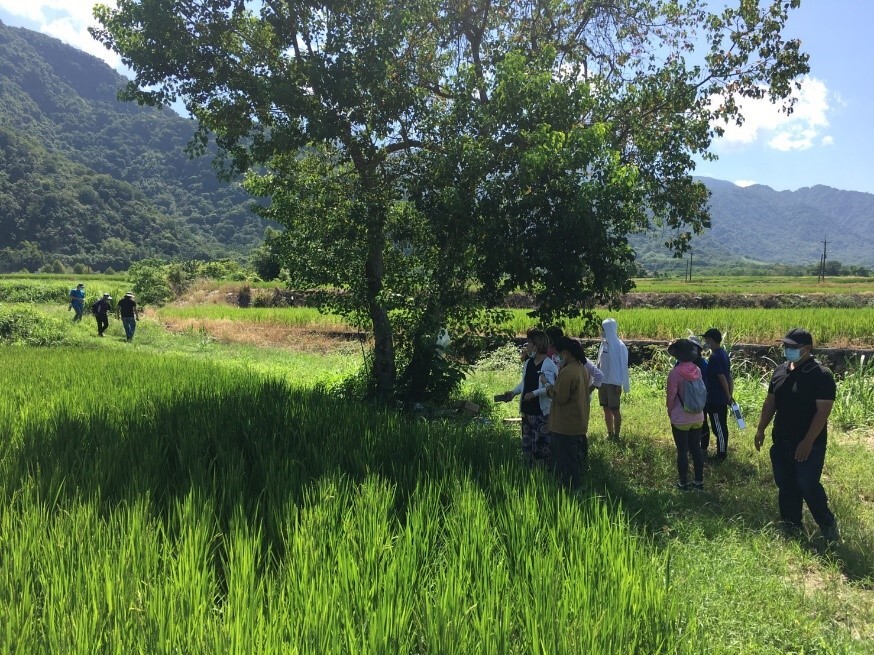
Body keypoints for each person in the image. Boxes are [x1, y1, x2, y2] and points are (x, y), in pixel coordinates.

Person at [753, 328, 839, 543]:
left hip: (809, 443)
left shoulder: (821, 375)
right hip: (781, 439)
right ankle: (792, 526)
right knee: (786, 484)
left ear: (807, 348)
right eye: (786, 346)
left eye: (792, 347)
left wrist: (808, 442)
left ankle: (827, 523)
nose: (787, 350)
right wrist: (761, 428)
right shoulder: (781, 370)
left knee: (807, 484)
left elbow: (823, 412)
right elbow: (770, 401)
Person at [501, 330, 559, 467]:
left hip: (540, 412)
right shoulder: (528, 363)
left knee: (542, 446)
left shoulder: (548, 364)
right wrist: (513, 393)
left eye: (530, 343)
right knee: (528, 445)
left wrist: (534, 394)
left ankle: (544, 473)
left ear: (537, 345)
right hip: (527, 411)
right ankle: (529, 471)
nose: (528, 346)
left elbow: (550, 387)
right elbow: (524, 383)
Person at [541, 336, 591, 487]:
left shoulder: (568, 372)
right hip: (577, 422)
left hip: (564, 425)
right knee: (575, 459)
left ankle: (569, 489)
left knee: (565, 462)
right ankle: (574, 486)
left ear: (566, 353)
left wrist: (548, 385)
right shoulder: (581, 369)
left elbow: (559, 397)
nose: (558, 357)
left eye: (559, 354)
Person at [666, 339, 705, 491]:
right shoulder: (697, 370)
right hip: (698, 416)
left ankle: (683, 483)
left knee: (682, 451)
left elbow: (671, 396)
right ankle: (698, 482)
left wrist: (669, 410)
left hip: (681, 418)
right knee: (696, 449)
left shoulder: (675, 373)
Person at [701, 328, 734, 461]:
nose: (705, 343)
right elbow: (729, 376)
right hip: (719, 398)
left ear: (712, 340)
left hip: (716, 400)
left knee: (719, 428)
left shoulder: (715, 357)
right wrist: (730, 393)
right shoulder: (724, 354)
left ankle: (721, 454)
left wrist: (727, 396)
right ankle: (721, 451)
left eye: (707, 341)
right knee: (720, 425)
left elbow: (721, 377)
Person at [546, 325, 604, 398]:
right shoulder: (561, 361)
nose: (549, 346)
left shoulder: (580, 363)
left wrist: (587, 391)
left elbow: (599, 375)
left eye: (550, 342)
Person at [597, 318, 629, 440]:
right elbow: (599, 363)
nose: (602, 332)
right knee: (605, 408)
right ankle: (609, 433)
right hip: (603, 383)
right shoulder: (603, 344)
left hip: (613, 383)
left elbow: (623, 366)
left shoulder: (620, 346)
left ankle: (617, 435)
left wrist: (620, 384)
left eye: (604, 329)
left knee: (615, 410)